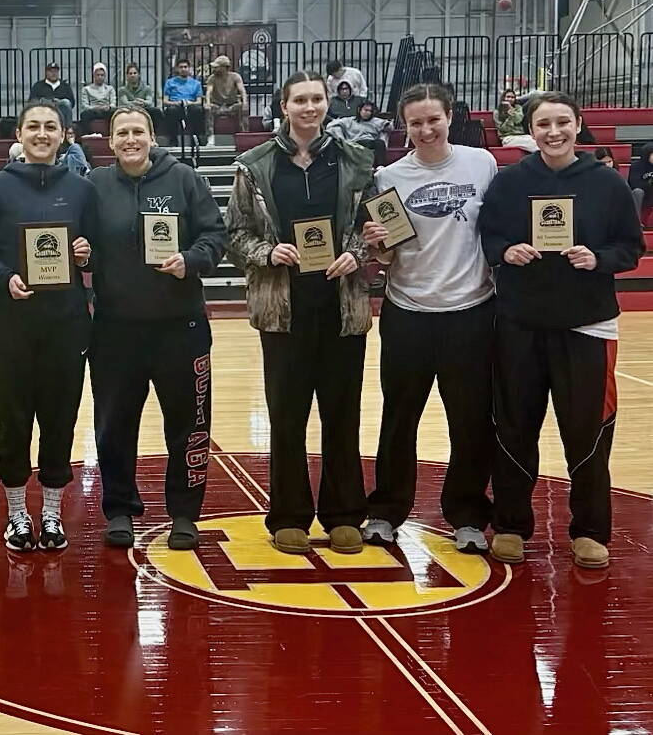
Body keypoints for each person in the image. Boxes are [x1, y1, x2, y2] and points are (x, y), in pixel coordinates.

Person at [478, 91, 645, 570]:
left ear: (578, 125)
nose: (553, 132)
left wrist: (599, 259)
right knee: (514, 425)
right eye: (543, 124)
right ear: (530, 130)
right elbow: (488, 235)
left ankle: (590, 530)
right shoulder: (510, 182)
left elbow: (629, 248)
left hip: (587, 324)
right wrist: (506, 251)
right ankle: (510, 524)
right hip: (519, 324)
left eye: (562, 123)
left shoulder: (607, 183)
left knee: (587, 429)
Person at [224, 70, 374, 556]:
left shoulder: (357, 161)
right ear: (283, 106)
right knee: (286, 416)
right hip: (282, 309)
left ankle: (344, 514)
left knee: (342, 412)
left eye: (317, 99)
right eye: (300, 100)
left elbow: (374, 229)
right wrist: (269, 252)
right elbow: (236, 234)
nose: (309, 108)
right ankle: (288, 514)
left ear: (328, 103)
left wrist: (357, 253)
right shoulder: (254, 165)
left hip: (342, 306)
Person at [359, 83, 497, 554]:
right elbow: (383, 251)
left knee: (470, 421)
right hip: (409, 311)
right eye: (415, 122)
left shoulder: (482, 165)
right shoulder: (388, 176)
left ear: (450, 116)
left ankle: (467, 516)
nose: (425, 129)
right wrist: (375, 243)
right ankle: (385, 511)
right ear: (404, 125)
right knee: (399, 418)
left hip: (471, 312)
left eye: (432, 119)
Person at [89, 107, 227, 550]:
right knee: (114, 425)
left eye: (138, 131)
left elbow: (215, 237)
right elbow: (86, 248)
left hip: (180, 328)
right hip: (115, 330)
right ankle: (120, 509)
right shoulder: (95, 186)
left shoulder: (185, 179)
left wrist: (191, 260)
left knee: (188, 424)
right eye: (121, 133)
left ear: (151, 136)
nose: (130, 139)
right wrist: (80, 254)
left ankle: (184, 513)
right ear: (109, 142)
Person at [0, 99, 96, 551]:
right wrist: (5, 278)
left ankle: (53, 514)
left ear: (64, 135)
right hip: (9, 326)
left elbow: (98, 247)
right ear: (19, 134)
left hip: (66, 325)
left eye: (51, 127)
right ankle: (19, 514)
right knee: (14, 419)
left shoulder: (83, 189)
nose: (42, 134)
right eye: (33, 127)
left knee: (61, 420)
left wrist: (85, 253)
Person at [327, 101, 391, 165]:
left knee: (380, 143)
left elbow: (389, 125)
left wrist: (387, 127)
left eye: (370, 111)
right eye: (366, 110)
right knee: (333, 141)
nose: (368, 113)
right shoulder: (350, 120)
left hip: (370, 142)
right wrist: (341, 137)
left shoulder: (375, 121)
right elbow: (332, 124)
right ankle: (332, 163)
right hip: (354, 142)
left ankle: (381, 166)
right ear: (359, 110)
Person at [162, 58, 206, 145]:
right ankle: (173, 140)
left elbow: (199, 101)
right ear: (177, 69)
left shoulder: (196, 83)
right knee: (171, 111)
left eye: (185, 67)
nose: (183, 69)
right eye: (181, 67)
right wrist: (176, 103)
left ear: (189, 68)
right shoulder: (170, 82)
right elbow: (165, 101)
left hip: (190, 106)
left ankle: (196, 139)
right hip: (176, 106)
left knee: (197, 110)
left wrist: (190, 103)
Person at [206, 55, 248, 127]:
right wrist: (208, 103)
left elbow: (242, 90)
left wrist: (245, 102)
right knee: (207, 109)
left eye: (217, 67)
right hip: (217, 105)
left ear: (224, 67)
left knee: (242, 107)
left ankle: (244, 132)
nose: (214, 69)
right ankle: (210, 135)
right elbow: (209, 91)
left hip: (232, 105)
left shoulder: (235, 76)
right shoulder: (212, 78)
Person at [29, 61, 75, 127]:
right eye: (51, 71)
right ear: (46, 73)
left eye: (55, 71)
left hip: (61, 109)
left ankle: (67, 128)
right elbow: (32, 100)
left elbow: (72, 102)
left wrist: (59, 101)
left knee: (66, 102)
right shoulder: (38, 85)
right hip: (44, 109)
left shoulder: (65, 86)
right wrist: (46, 101)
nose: (53, 73)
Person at [117, 62, 161, 128]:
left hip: (144, 110)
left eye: (135, 73)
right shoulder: (122, 90)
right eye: (130, 73)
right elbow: (125, 103)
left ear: (139, 75)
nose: (132, 75)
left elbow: (149, 102)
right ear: (127, 76)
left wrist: (142, 102)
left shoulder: (147, 88)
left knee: (155, 110)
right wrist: (135, 103)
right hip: (128, 112)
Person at [77, 62, 116, 135]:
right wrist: (96, 108)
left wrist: (108, 107)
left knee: (114, 113)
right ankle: (88, 134)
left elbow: (113, 104)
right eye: (98, 75)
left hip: (106, 110)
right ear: (94, 75)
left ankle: (111, 134)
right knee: (84, 114)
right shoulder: (86, 89)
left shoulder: (110, 89)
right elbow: (85, 106)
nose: (100, 77)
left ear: (105, 76)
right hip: (93, 111)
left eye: (102, 75)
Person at [629, 142, 653, 224]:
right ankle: (636, 223)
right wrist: (649, 186)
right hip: (644, 195)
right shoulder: (636, 166)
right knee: (638, 192)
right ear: (647, 155)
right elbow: (634, 184)